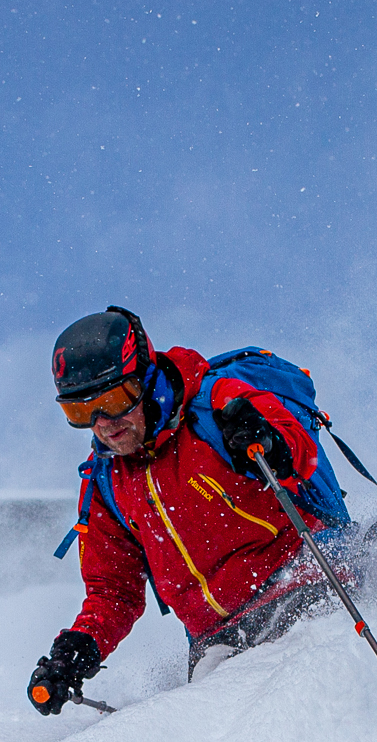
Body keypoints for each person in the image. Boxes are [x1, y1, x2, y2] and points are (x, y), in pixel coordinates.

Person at [28, 306, 348, 715]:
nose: (103, 422)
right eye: (80, 411)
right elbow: (113, 592)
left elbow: (300, 453)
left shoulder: (217, 406)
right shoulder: (106, 482)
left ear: (142, 380)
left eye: (113, 399)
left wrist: (268, 442)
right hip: (216, 637)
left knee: (308, 709)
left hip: (305, 584)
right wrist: (78, 647)